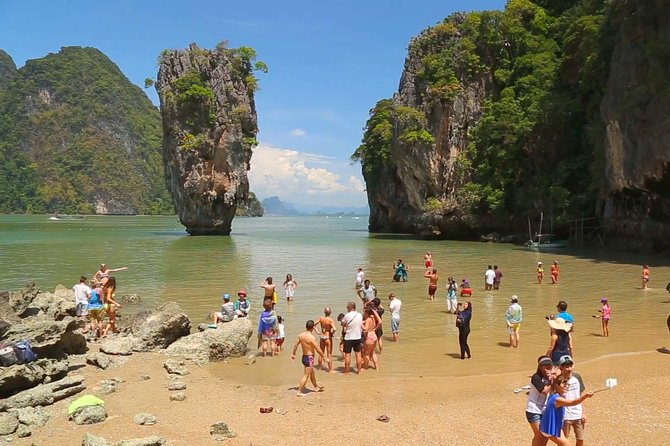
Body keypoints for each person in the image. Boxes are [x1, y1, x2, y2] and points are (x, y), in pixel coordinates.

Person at [539, 376, 594, 445]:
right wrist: (585, 396)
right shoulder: (557, 399)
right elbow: (572, 403)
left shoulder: (557, 396)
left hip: (553, 426)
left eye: (567, 384)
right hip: (549, 428)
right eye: (564, 384)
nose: (566, 386)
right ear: (557, 385)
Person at [526, 356, 556, 446]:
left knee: (545, 435)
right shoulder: (536, 377)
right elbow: (544, 391)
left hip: (544, 409)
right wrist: (552, 379)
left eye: (549, 365)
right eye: (544, 365)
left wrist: (555, 377)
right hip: (533, 409)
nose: (547, 367)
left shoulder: (551, 377)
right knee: (539, 434)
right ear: (540, 367)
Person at [558, 355, 588, 446]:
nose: (569, 368)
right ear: (561, 367)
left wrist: (583, 412)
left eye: (570, 366)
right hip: (565, 416)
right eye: (566, 366)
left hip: (578, 414)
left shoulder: (577, 377)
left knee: (581, 439)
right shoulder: (558, 380)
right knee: (563, 441)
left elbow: (581, 394)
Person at [291, 320, 325, 397]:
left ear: (306, 326)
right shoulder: (311, 337)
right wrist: (324, 357)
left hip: (304, 357)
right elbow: (317, 349)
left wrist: (293, 354)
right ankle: (299, 392)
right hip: (310, 358)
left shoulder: (301, 335)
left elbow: (295, 345)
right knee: (306, 375)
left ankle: (316, 387)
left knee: (312, 372)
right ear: (313, 327)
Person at [341, 301, 363, 375]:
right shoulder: (360, 315)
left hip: (349, 337)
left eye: (347, 307)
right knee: (358, 354)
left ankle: (347, 372)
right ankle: (359, 371)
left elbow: (343, 324)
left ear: (350, 307)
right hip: (358, 337)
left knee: (347, 354)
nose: (347, 308)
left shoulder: (347, 315)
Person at [314, 307, 335, 372]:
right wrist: (332, 333)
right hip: (328, 337)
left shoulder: (321, 318)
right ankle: (330, 369)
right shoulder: (330, 320)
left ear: (324, 312)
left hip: (322, 337)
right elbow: (334, 329)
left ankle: (319, 368)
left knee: (321, 353)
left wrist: (317, 332)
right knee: (329, 354)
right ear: (330, 312)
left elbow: (313, 325)